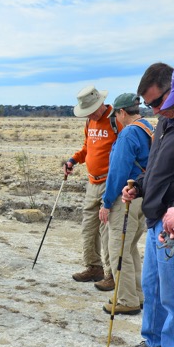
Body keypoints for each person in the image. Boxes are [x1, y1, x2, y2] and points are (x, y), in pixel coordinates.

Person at [121, 61, 174, 347]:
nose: (155, 109)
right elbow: (157, 168)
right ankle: (154, 341)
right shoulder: (163, 125)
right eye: (149, 105)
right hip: (155, 220)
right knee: (154, 288)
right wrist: (138, 185)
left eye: (158, 102)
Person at [99, 94, 154, 315]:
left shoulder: (128, 133)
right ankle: (138, 295)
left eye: (117, 115)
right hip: (145, 196)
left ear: (122, 112)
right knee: (130, 250)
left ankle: (126, 299)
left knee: (118, 251)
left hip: (127, 199)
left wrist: (106, 201)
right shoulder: (148, 127)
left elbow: (118, 171)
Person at [63, 85, 122, 289]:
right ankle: (93, 267)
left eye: (90, 110)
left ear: (100, 105)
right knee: (88, 227)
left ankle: (111, 274)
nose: (88, 115)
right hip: (92, 182)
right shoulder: (90, 122)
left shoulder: (117, 120)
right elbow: (87, 148)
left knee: (108, 230)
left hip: (111, 182)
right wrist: (73, 160)